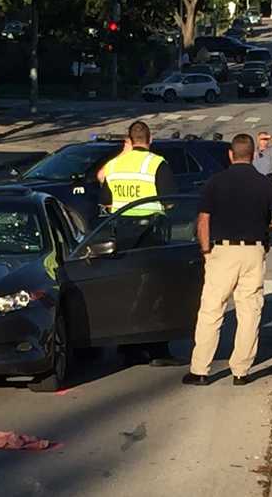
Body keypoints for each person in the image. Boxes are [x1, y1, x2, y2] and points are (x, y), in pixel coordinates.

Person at [183, 134, 272, 386]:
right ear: (253, 154)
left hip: (222, 252)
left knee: (212, 310)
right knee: (249, 311)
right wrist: (270, 229)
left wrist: (205, 251)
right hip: (254, 251)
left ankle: (200, 369)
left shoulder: (216, 182)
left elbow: (203, 220)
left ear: (231, 155)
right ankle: (241, 371)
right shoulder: (263, 183)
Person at [99, 121, 180, 366]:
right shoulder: (156, 163)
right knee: (156, 290)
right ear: (150, 138)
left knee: (128, 288)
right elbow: (170, 202)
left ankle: (128, 345)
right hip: (151, 233)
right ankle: (157, 349)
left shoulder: (113, 165)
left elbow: (105, 202)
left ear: (130, 139)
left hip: (122, 233)